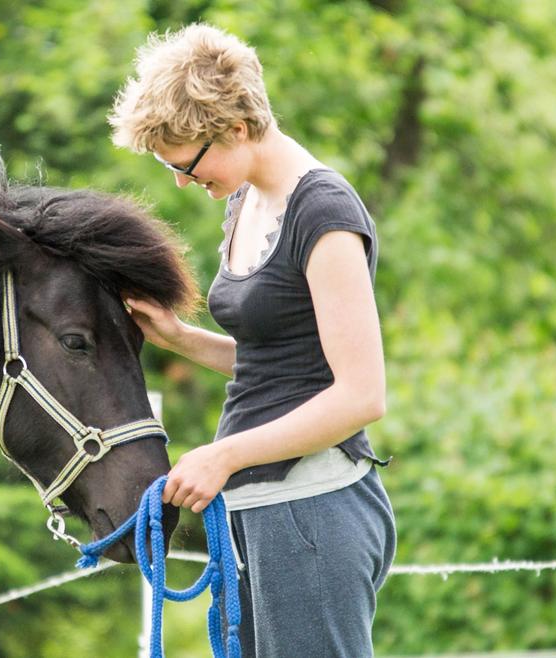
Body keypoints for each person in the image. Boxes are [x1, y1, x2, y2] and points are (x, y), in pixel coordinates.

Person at [109, 24, 397, 657]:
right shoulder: (246, 201)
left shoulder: (324, 216)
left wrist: (223, 457)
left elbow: (360, 394)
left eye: (186, 162)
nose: (182, 181)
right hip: (260, 514)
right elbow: (286, 361)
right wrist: (180, 338)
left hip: (313, 512)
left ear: (236, 128)